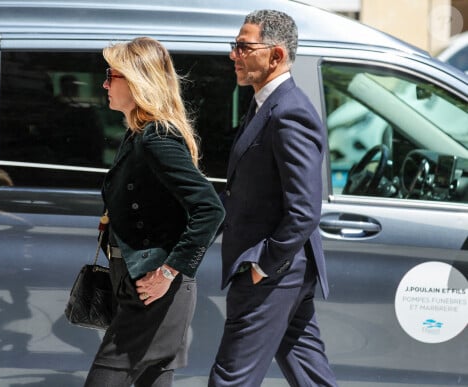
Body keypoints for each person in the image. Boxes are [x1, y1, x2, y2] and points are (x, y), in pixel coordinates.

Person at [84, 37, 225, 387]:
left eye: (110, 74)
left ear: (136, 80)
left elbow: (210, 209)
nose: (104, 84)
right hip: (139, 285)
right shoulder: (137, 135)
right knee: (153, 378)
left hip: (153, 290)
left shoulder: (156, 139)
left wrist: (168, 271)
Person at [208, 10, 338, 387]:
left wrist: (263, 264)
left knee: (230, 378)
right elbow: (244, 189)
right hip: (284, 271)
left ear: (276, 55)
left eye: (244, 47)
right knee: (310, 375)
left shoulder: (289, 112)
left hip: (274, 272)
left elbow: (303, 211)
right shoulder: (263, 104)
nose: (234, 54)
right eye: (235, 46)